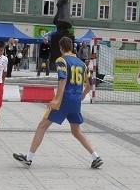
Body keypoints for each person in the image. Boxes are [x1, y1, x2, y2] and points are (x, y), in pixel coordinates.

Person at [13, 37, 102, 168]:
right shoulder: (82, 64)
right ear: (72, 47)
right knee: (76, 131)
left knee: (42, 126)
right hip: (76, 101)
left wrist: (56, 99)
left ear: (61, 48)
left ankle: (29, 158)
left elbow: (63, 80)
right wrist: (82, 96)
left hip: (63, 99)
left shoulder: (62, 60)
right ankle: (96, 156)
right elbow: (90, 84)